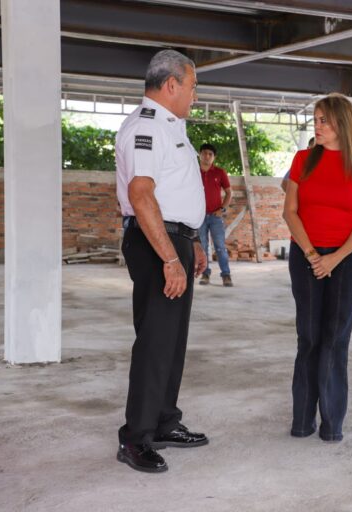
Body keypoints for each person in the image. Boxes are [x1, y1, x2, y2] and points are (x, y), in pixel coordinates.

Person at [115, 49, 209, 473]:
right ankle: (136, 438)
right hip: (158, 245)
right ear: (171, 84)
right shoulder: (146, 128)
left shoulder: (173, 126)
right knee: (155, 344)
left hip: (176, 241)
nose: (194, 95)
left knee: (171, 343)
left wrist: (192, 243)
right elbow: (141, 195)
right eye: (191, 86)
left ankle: (164, 421)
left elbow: (177, 193)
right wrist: (170, 258)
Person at [282, 93, 352, 442]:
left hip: (346, 259)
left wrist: (334, 258)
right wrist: (311, 254)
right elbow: (289, 211)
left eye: (323, 120)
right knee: (308, 336)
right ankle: (302, 420)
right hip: (305, 256)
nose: (316, 125)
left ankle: (332, 423)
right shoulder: (302, 159)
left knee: (335, 339)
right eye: (316, 119)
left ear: (341, 123)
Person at [197, 143, 233, 287]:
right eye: (204, 153)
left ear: (214, 157)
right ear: (200, 155)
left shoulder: (219, 172)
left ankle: (226, 275)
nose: (207, 156)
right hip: (198, 217)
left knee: (220, 247)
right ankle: (205, 274)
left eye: (210, 154)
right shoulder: (193, 171)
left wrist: (222, 209)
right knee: (203, 246)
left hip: (215, 217)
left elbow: (229, 192)